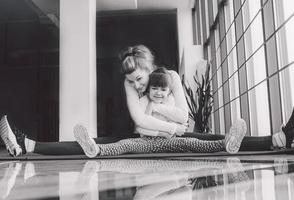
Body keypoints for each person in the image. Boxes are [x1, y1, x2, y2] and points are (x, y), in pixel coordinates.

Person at [0, 44, 294, 157]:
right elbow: (140, 122)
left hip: (174, 134)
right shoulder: (131, 87)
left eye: (139, 80)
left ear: (151, 69)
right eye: (130, 82)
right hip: (143, 136)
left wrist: (159, 109)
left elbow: (184, 117)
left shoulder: (173, 79)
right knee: (100, 142)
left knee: (212, 138)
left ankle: (278, 139)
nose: (135, 85)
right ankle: (27, 144)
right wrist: (167, 123)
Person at [73, 67, 247, 157]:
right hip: (147, 142)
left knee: (194, 143)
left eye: (162, 90)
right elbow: (141, 128)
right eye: (154, 88)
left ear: (168, 91)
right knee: (124, 144)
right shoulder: (143, 101)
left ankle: (226, 144)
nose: (158, 93)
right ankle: (95, 149)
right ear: (148, 90)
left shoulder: (170, 102)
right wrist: (167, 130)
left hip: (170, 142)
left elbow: (182, 122)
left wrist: (165, 120)